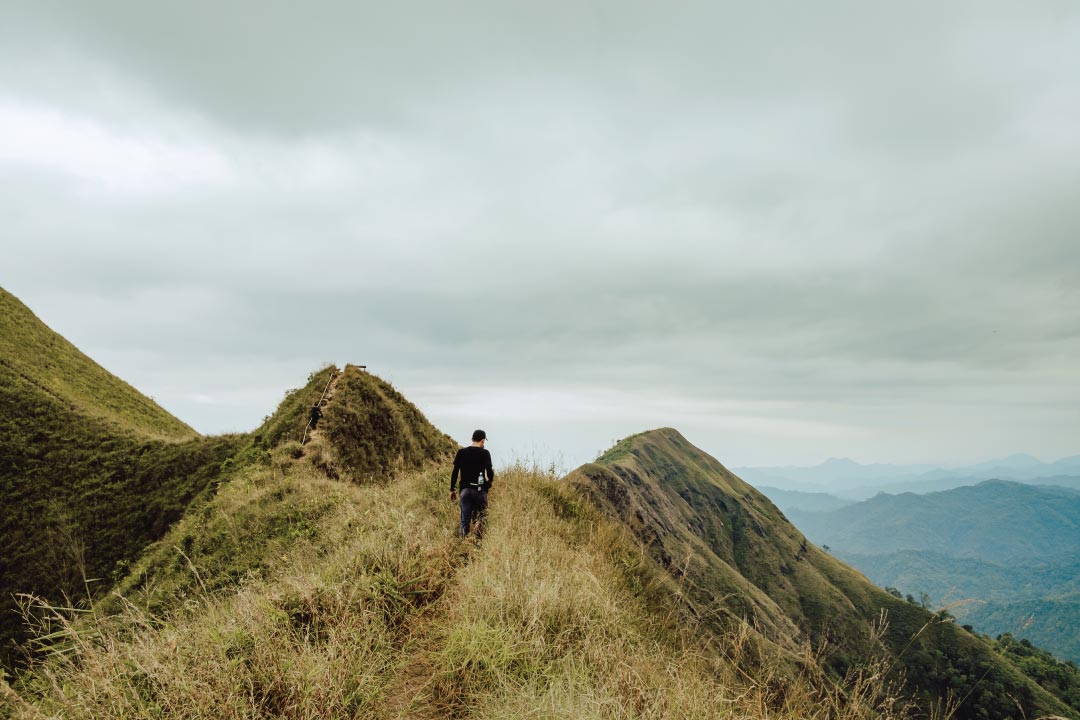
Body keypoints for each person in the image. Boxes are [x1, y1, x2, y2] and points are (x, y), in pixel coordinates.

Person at [450, 429, 494, 538]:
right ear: (482, 441)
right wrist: (489, 483)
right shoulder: (485, 453)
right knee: (482, 518)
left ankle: (463, 545)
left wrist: (452, 489)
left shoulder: (461, 452)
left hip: (465, 491)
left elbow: (455, 472)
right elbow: (489, 471)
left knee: (464, 521)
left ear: (473, 439)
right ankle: (478, 543)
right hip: (479, 490)